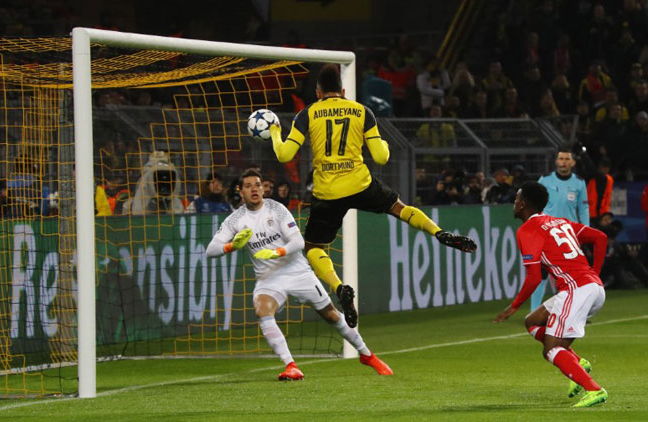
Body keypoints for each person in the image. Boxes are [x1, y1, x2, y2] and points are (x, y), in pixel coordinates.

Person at [269, 63, 477, 328]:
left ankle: (339, 287)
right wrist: (386, 145)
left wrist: (275, 132)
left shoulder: (307, 113)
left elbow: (285, 154)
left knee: (313, 248)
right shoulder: (361, 111)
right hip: (360, 184)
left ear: (318, 92)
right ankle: (439, 233)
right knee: (399, 207)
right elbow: (381, 156)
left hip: (327, 192)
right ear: (343, 91)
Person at [205, 168, 393, 380]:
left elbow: (298, 242)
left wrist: (278, 251)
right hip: (269, 278)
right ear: (240, 191)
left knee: (331, 315)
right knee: (262, 311)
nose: (254, 189)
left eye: (257, 184)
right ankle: (291, 366)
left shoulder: (276, 209)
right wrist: (231, 246)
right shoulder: (235, 219)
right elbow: (210, 250)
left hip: (296, 271)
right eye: (248, 186)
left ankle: (367, 355)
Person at [493, 181, 608, 408]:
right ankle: (577, 362)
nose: (514, 204)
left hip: (576, 289)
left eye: (516, 199)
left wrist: (513, 306)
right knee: (533, 322)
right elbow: (600, 238)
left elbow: (534, 277)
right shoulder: (559, 222)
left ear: (523, 203)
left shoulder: (527, 230)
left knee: (552, 348)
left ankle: (594, 390)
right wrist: (594, 275)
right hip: (592, 288)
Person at [531, 147, 590, 310]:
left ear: (572, 163)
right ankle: (534, 311)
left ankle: (570, 310)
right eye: (560, 159)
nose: (563, 162)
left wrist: (584, 232)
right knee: (540, 273)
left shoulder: (578, 183)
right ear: (556, 161)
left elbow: (583, 209)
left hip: (568, 236)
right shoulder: (545, 180)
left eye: (566, 159)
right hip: (546, 234)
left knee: (570, 275)